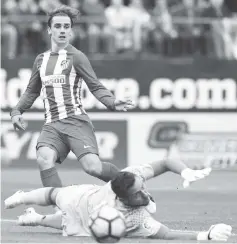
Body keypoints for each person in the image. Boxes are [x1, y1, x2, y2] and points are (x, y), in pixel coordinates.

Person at [10, 5, 134, 189]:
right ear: (49, 30)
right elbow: (31, 90)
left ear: (71, 31)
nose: (62, 30)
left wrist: (112, 102)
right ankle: (61, 210)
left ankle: (133, 186)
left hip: (75, 121)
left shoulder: (77, 57)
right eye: (58, 26)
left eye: (66, 27)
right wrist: (16, 111)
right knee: (44, 158)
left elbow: (95, 86)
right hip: (52, 125)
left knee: (92, 168)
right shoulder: (40, 60)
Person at [5, 159, 231, 241]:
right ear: (122, 198)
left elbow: (165, 163)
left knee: (63, 219)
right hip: (81, 201)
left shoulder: (132, 175)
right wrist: (205, 235)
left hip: (91, 208)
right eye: (137, 194)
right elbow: (166, 234)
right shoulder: (130, 217)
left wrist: (184, 172)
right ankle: (22, 198)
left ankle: (34, 218)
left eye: (143, 188)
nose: (144, 193)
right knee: (54, 195)